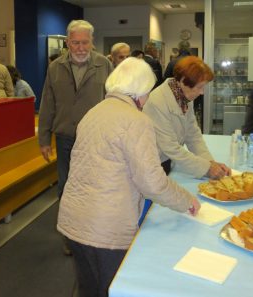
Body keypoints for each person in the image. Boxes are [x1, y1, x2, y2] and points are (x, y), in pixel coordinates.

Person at [57, 57, 200, 297]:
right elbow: (151, 182)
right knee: (111, 289)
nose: (147, 99)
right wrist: (186, 200)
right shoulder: (136, 121)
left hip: (74, 220)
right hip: (105, 228)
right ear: (139, 91)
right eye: (147, 92)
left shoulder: (93, 112)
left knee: (88, 289)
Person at [38, 19, 113, 200]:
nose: (81, 48)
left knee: (94, 183)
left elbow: (113, 102)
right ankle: (66, 223)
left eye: (85, 42)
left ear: (92, 41)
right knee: (66, 183)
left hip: (96, 138)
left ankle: (90, 222)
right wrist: (44, 139)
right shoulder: (55, 67)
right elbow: (47, 104)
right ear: (67, 43)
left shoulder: (104, 65)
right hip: (65, 137)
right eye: (76, 43)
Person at [143, 56, 230, 179]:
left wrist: (210, 162)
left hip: (169, 159)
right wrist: (206, 168)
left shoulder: (184, 96)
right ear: (183, 81)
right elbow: (170, 147)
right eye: (199, 87)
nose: (202, 92)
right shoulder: (157, 102)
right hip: (155, 164)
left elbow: (193, 134)